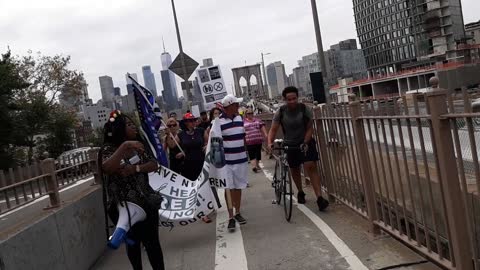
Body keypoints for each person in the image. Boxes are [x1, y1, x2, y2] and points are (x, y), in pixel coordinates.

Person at [99, 110, 165, 270]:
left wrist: (135, 168)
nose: (134, 127)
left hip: (146, 202)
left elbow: (154, 164)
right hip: (123, 207)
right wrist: (125, 146)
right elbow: (107, 167)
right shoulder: (108, 149)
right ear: (119, 128)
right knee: (133, 244)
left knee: (153, 244)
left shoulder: (139, 145)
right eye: (129, 125)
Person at [267, 86, 329, 212]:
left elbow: (310, 127)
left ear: (298, 97)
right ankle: (300, 191)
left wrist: (305, 141)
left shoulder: (304, 109)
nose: (292, 101)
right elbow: (273, 129)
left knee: (310, 165)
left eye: (294, 98)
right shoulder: (281, 111)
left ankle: (319, 198)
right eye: (289, 99)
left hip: (305, 141)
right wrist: (269, 143)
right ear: (284, 100)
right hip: (290, 144)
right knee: (294, 168)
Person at [218, 94, 248, 232]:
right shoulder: (218, 122)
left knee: (238, 187)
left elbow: (243, 137)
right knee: (228, 188)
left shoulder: (240, 118)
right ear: (230, 106)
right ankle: (230, 217)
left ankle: (237, 212)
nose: (238, 106)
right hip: (227, 162)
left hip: (241, 159)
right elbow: (215, 141)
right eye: (236, 104)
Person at [176, 112, 206, 181]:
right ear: (185, 122)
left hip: (201, 162)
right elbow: (172, 145)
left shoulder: (201, 131)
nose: (193, 122)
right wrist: (168, 133)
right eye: (190, 120)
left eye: (194, 120)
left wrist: (206, 146)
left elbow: (208, 141)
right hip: (188, 164)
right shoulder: (181, 134)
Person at [243, 108, 268, 173]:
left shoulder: (257, 120)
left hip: (258, 140)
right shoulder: (243, 122)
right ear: (246, 114)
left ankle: (257, 165)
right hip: (249, 141)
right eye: (248, 113)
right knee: (251, 154)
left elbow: (262, 127)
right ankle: (254, 167)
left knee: (258, 153)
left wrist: (265, 134)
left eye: (251, 113)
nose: (250, 114)